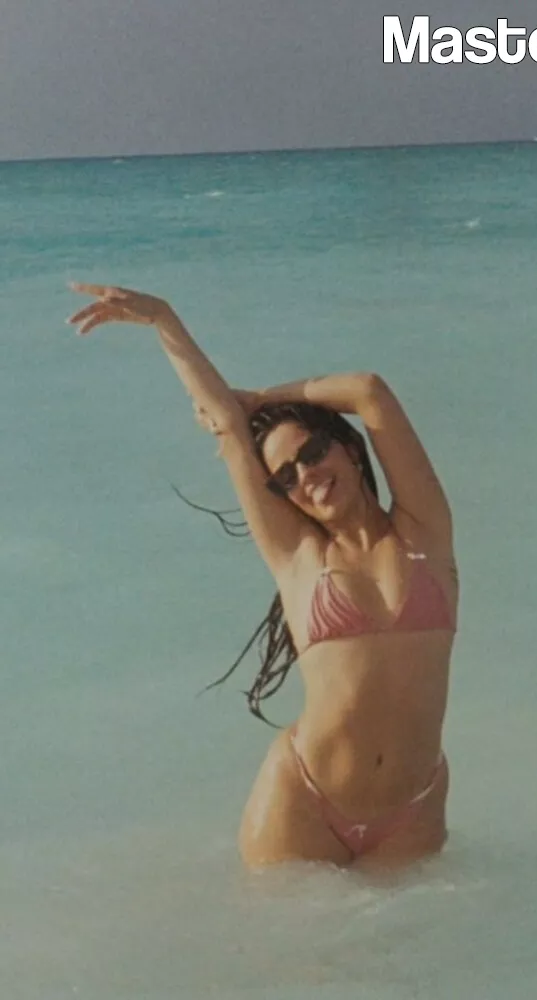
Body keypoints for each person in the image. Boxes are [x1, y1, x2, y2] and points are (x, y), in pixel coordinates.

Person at [67, 282, 459, 870]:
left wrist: (263, 400)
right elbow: (226, 427)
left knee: (423, 934)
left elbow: (368, 391)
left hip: (415, 808)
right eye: (285, 478)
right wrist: (165, 322)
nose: (305, 476)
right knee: (283, 935)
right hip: (304, 803)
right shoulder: (298, 556)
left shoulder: (425, 533)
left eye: (313, 452)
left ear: (350, 450)